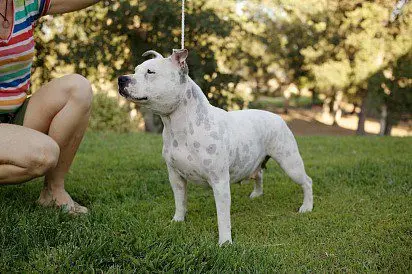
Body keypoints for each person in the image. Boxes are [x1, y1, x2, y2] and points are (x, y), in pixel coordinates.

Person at [0, 0, 102, 214]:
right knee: (44, 155)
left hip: (15, 115)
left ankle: (53, 192)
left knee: (78, 88)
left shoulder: (24, 4)